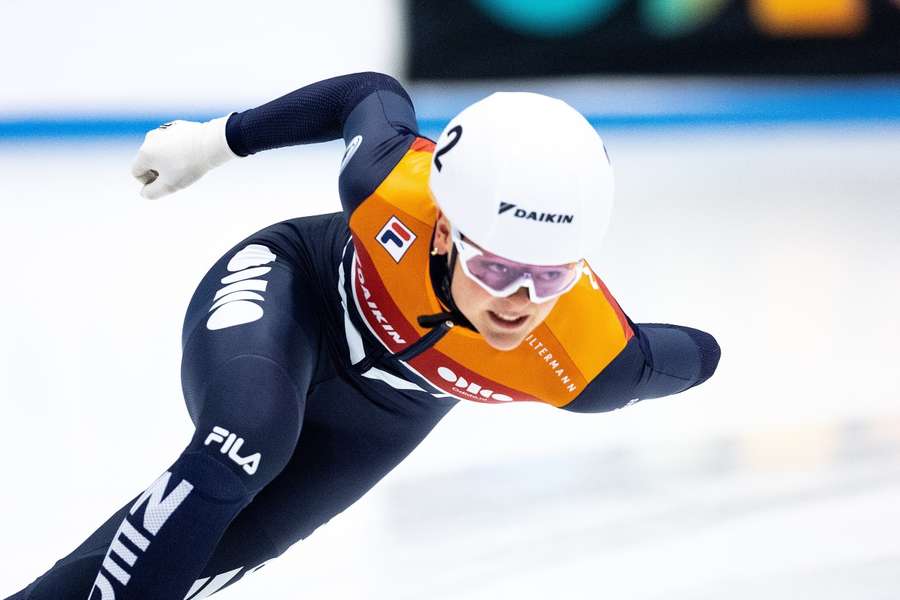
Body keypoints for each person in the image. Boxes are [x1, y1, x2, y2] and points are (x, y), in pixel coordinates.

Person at [5, 72, 720, 600]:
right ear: (443, 230)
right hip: (295, 293)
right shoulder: (389, 187)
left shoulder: (586, 361)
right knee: (246, 437)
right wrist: (215, 141)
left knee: (204, 558)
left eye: (551, 278)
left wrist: (620, 333)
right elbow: (368, 94)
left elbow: (692, 356)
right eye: (497, 268)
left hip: (382, 416)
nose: (520, 303)